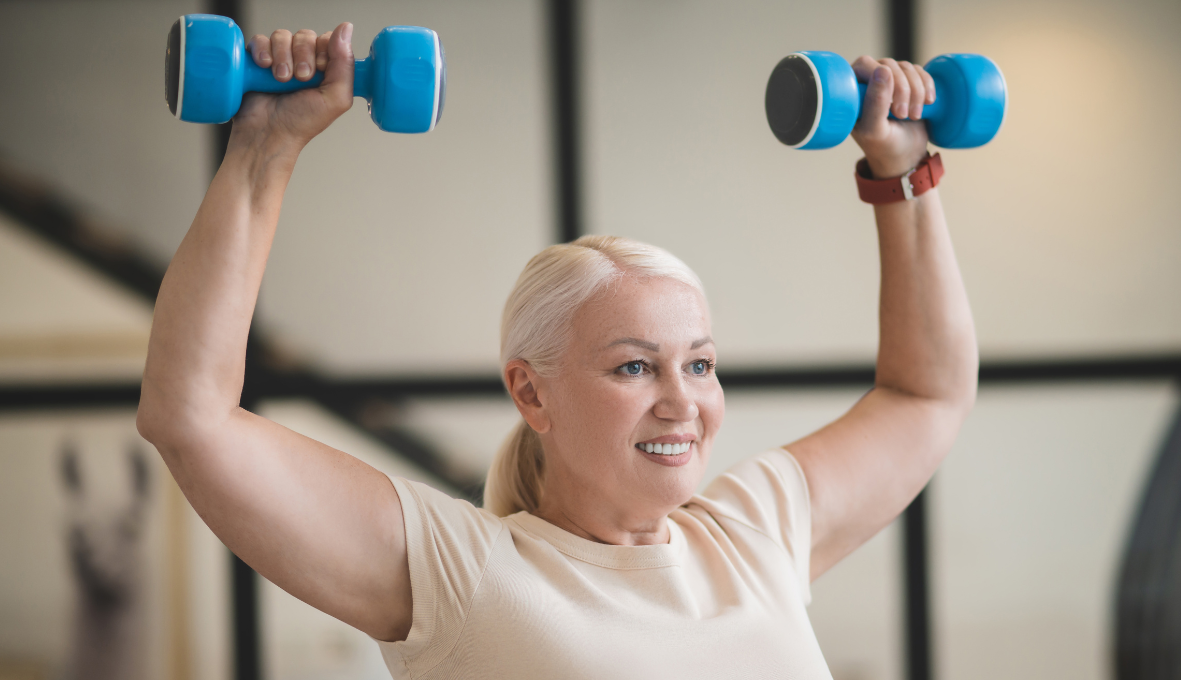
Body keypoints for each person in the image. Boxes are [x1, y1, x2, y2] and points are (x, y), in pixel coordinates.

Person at [137, 22, 977, 679]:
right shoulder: (468, 578)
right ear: (531, 393)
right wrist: (263, 150)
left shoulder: (755, 534)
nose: (683, 400)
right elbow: (192, 418)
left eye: (700, 363)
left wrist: (902, 171)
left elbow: (924, 395)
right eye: (634, 366)